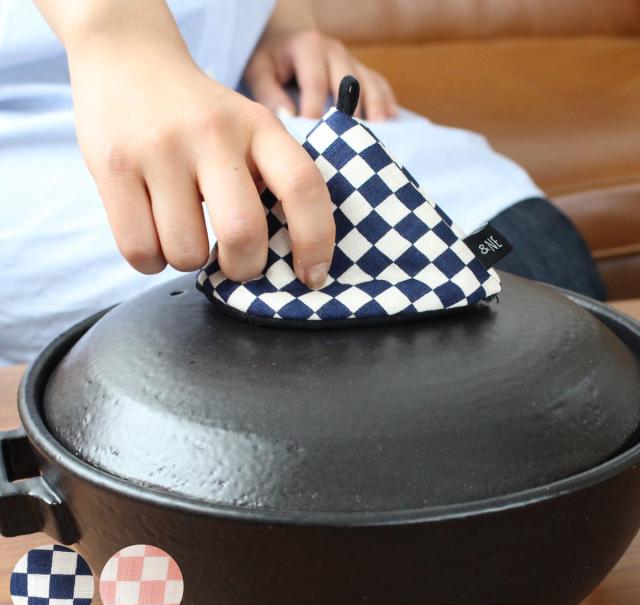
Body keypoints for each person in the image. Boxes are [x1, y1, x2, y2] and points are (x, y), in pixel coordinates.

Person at [0, 0, 604, 365]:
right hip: (37, 114)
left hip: (242, 87)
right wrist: (120, 40)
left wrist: (278, 18)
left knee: (529, 246)